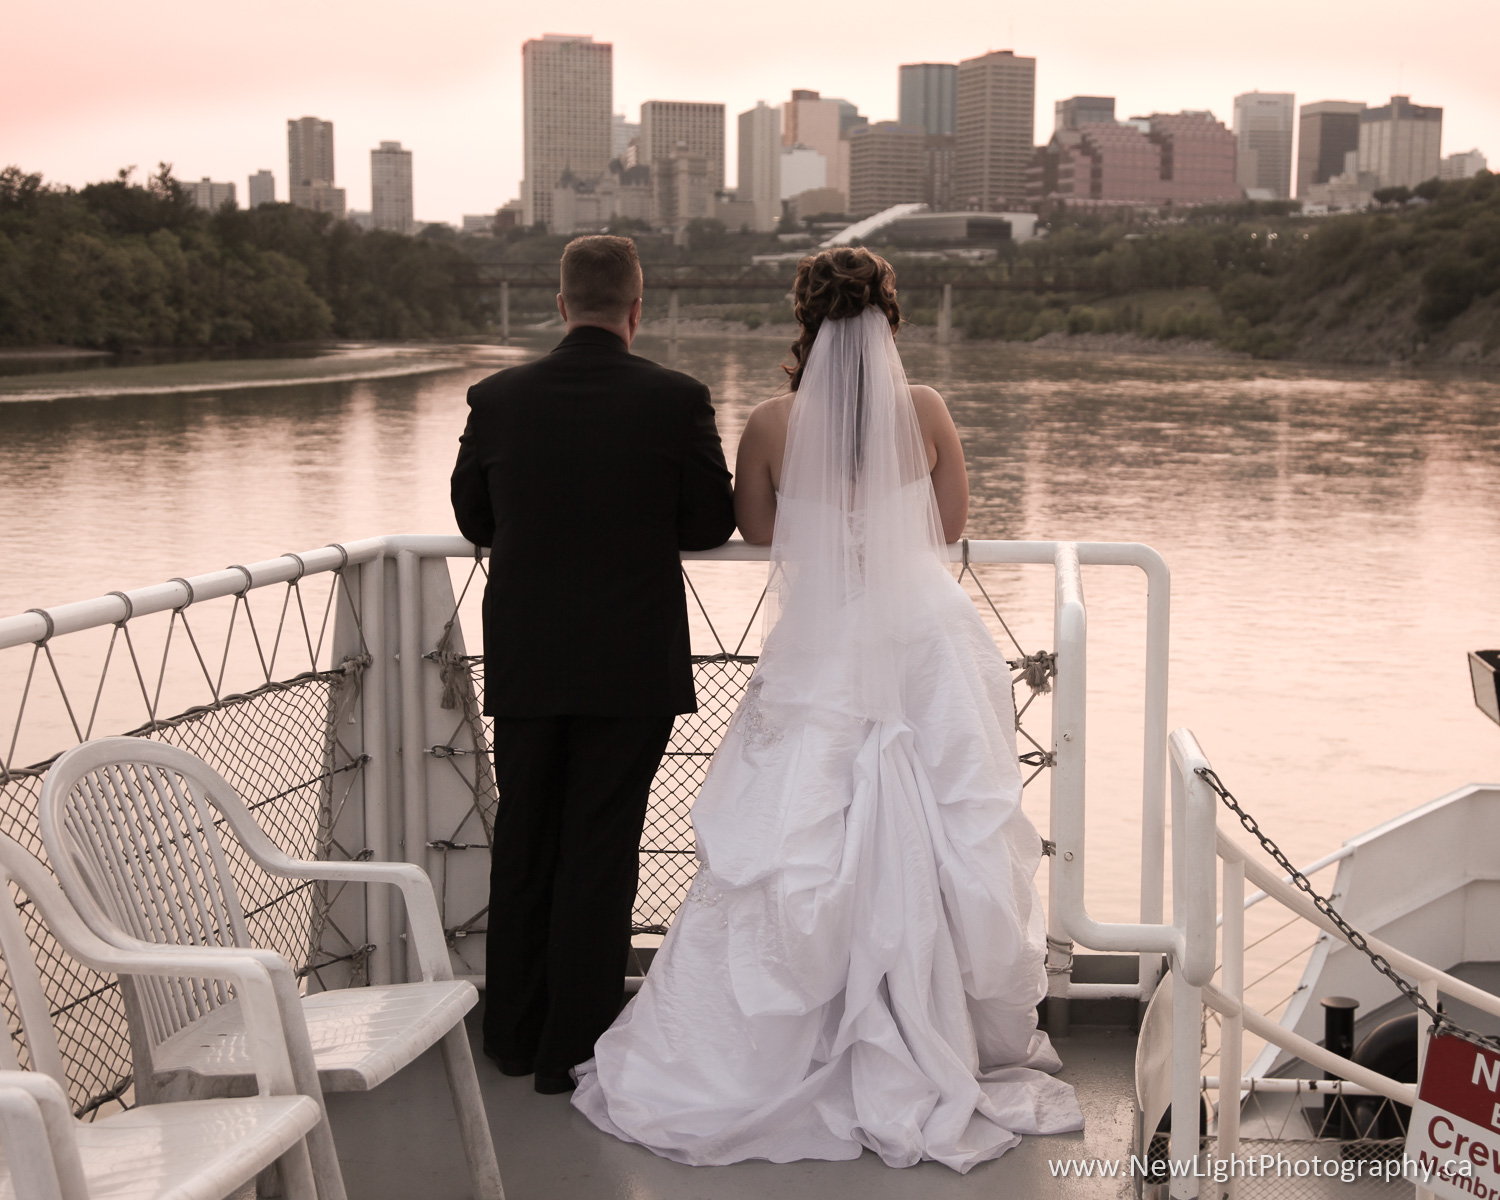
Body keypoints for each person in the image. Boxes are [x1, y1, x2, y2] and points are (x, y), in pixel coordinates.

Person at [571, 247, 1083, 1169]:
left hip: (824, 643)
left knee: (797, 834)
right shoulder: (924, 410)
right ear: (890, 316)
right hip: (924, 637)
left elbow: (763, 535)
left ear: (802, 315)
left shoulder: (771, 423)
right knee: (945, 822)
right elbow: (953, 526)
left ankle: (784, 1040)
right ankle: (942, 1027)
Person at [450, 235, 736, 1095]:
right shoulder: (677, 398)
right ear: (637, 309)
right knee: (601, 850)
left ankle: (511, 1032)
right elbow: (709, 522)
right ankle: (574, 1047)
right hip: (631, 660)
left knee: (527, 838)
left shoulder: (496, 397)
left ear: (562, 303)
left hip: (530, 656)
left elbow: (472, 516)